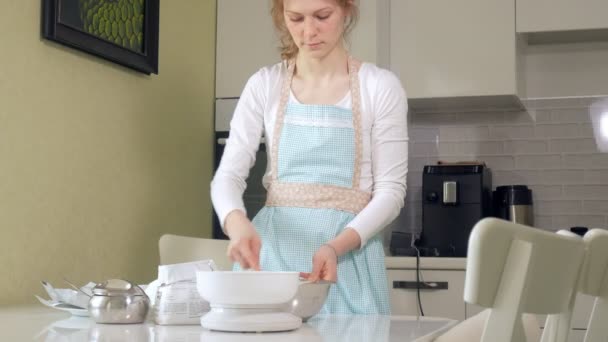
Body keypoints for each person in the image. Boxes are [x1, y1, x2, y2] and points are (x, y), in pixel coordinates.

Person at [210, 0, 408, 314]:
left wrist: (335, 246)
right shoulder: (265, 84)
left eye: (322, 16)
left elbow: (391, 192)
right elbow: (228, 176)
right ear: (281, 17)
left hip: (347, 260)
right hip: (273, 263)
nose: (309, 31)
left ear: (347, 10)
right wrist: (237, 223)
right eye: (296, 18)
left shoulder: (379, 86)